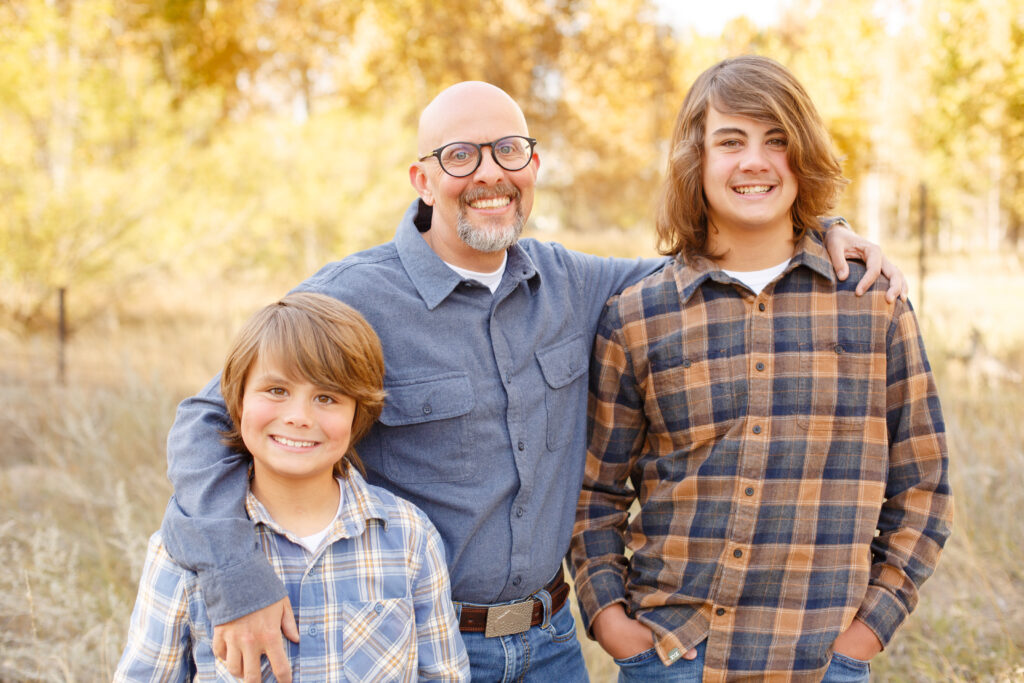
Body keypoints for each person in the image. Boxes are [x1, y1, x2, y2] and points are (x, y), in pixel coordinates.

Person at [160, 81, 908, 682]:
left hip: (552, 644)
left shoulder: (573, 283)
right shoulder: (353, 297)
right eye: (460, 156)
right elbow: (207, 421)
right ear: (422, 178)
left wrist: (821, 229)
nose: (489, 173)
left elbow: (717, 260)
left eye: (509, 150)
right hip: (416, 641)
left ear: (533, 167)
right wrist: (239, 576)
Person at [570, 56, 952, 682]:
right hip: (672, 658)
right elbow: (596, 494)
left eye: (777, 140)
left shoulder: (870, 303)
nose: (755, 161)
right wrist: (612, 622)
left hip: (822, 659)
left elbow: (923, 487)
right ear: (697, 160)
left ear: (802, 157)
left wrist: (863, 636)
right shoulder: (638, 315)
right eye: (731, 141)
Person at [115, 292, 469, 681]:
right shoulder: (181, 553)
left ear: (358, 414)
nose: (299, 417)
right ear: (237, 401)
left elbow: (444, 674)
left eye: (326, 397)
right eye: (277, 391)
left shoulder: (409, 537)